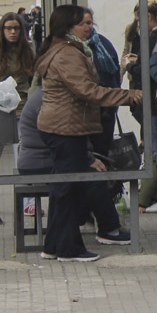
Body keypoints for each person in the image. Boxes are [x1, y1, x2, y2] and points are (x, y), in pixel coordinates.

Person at [34, 5, 141, 262]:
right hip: (64, 128)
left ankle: (53, 246)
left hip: (66, 127)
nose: (89, 27)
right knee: (68, 189)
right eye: (83, 23)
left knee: (66, 188)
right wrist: (129, 96)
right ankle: (69, 249)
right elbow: (87, 90)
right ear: (67, 28)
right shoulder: (67, 54)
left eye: (91, 23)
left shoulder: (67, 49)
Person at [17, 86, 129, 247]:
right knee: (93, 176)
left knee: (87, 175)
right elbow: (65, 138)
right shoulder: (49, 100)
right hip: (41, 161)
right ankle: (108, 229)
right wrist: (88, 158)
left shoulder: (45, 95)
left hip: (43, 159)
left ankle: (79, 226)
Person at [122, 0, 157, 213]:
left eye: (139, 20)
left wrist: (130, 65)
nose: (137, 24)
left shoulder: (153, 37)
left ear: (149, 17)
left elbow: (147, 70)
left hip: (156, 102)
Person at [0, 12, 36, 178]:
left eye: (16, 28)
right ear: (2, 30)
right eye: (9, 28)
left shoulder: (28, 51)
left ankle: (27, 201)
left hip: (22, 106)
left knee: (22, 153)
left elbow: (34, 81)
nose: (13, 32)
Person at [82, 9, 125, 158]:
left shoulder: (103, 44)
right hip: (81, 114)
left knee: (102, 152)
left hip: (105, 112)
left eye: (88, 23)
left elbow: (114, 75)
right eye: (82, 24)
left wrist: (113, 104)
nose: (86, 27)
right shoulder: (71, 48)